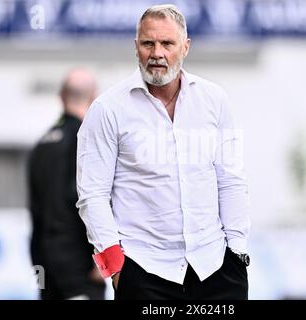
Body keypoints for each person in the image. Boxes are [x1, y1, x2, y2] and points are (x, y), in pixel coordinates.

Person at [76, 4, 251, 300]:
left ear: (185, 47)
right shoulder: (107, 110)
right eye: (148, 43)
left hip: (216, 269)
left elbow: (231, 180)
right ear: (136, 48)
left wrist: (238, 252)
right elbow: (92, 195)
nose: (157, 53)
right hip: (143, 272)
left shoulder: (214, 100)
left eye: (167, 43)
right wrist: (117, 271)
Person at [28, 68, 106, 300]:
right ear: (93, 97)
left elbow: (36, 209)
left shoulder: (42, 144)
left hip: (44, 264)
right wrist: (100, 256)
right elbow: (84, 200)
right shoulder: (86, 140)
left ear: (61, 97)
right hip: (79, 266)